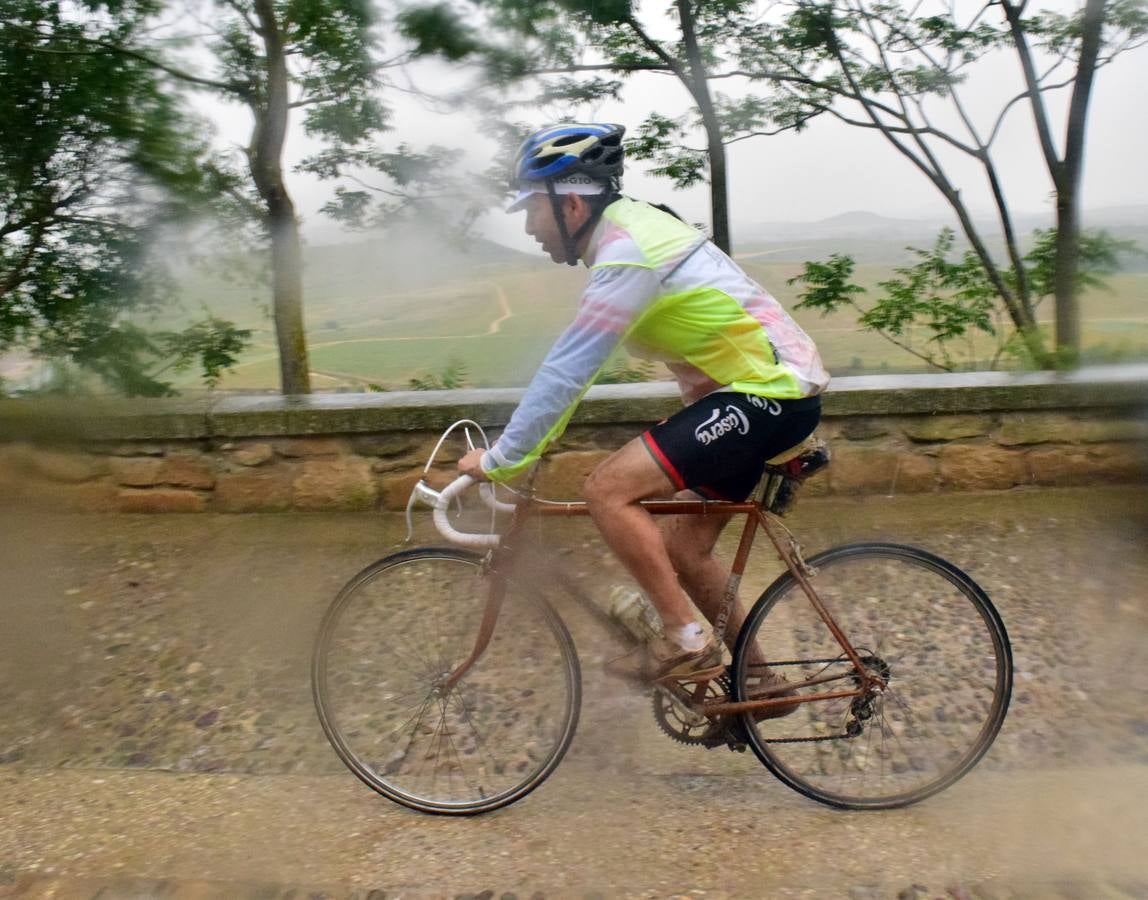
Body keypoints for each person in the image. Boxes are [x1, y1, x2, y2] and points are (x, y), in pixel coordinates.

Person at [457, 123, 830, 683]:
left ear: (573, 205)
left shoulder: (628, 252)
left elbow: (568, 371)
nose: (530, 226)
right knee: (684, 549)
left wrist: (503, 457)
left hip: (768, 396)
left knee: (608, 488)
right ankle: (760, 681)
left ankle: (684, 639)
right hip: (765, 398)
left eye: (532, 209)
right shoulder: (631, 234)